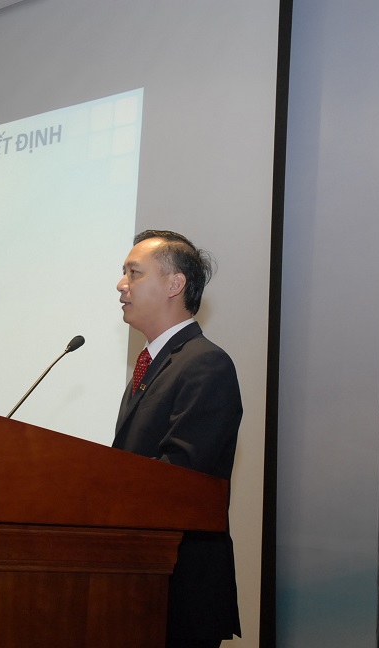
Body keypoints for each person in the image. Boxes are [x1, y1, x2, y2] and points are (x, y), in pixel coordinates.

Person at [113, 229, 242, 648]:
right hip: (142, 578)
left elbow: (179, 478)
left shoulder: (205, 364)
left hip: (180, 585)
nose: (121, 285)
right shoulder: (149, 364)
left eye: (134, 273)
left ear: (175, 284)